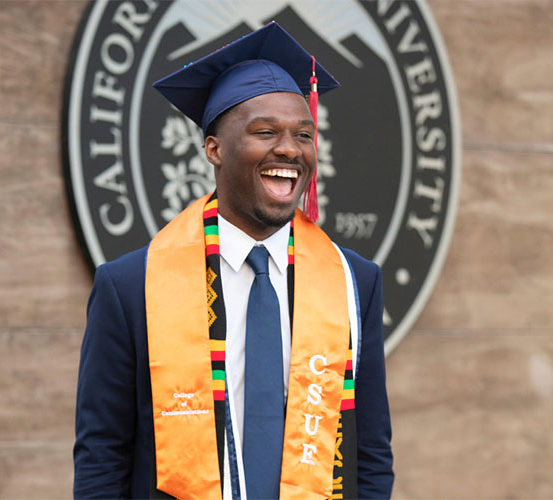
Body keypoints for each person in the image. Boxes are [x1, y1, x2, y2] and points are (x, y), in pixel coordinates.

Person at [73, 22, 393, 500]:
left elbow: (369, 450)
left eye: (303, 134)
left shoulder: (352, 282)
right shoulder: (130, 287)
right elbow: (102, 456)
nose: (289, 149)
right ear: (214, 149)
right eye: (265, 132)